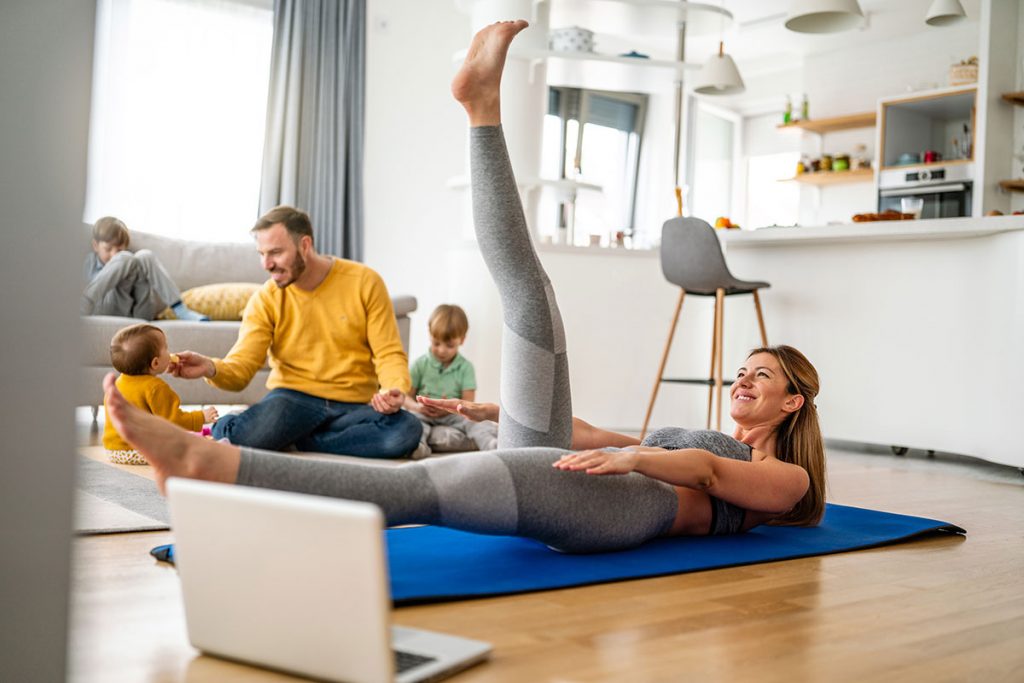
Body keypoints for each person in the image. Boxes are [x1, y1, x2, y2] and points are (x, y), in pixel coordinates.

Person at [102, 20, 826, 553]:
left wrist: (635, 458)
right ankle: (482, 107)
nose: (741, 379)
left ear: (793, 402)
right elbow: (603, 436)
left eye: (759, 375)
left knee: (425, 491)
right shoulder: (684, 442)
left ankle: (213, 465)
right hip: (601, 474)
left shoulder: (789, 481)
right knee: (529, 298)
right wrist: (479, 407)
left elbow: (697, 468)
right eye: (742, 369)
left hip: (625, 508)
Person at [167, 205, 422, 458]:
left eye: (276, 252)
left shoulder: (365, 281)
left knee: (405, 430)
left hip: (352, 406)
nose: (266, 264)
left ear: (305, 245)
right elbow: (242, 367)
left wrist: (393, 389)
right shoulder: (265, 299)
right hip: (292, 400)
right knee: (245, 431)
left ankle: (293, 441)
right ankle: (241, 428)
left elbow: (388, 353)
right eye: (262, 253)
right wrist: (210, 367)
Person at [103, 323, 218, 465]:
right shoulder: (155, 388)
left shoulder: (117, 384)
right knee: (192, 447)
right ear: (155, 363)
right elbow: (173, 421)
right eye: (166, 348)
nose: (170, 353)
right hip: (141, 451)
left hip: (114, 450)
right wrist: (201, 417)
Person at [406, 304, 498, 456]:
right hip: (423, 414)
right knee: (413, 423)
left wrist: (446, 410)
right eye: (436, 343)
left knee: (476, 423)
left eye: (449, 345)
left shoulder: (466, 368)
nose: (442, 350)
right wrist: (417, 408)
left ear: (461, 340)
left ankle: (490, 443)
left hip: (453, 415)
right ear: (429, 334)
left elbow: (469, 404)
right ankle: (418, 446)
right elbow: (405, 397)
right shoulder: (419, 364)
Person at [82, 216, 209, 321]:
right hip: (103, 309)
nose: (114, 255)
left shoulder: (130, 263)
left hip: (138, 315)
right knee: (125, 258)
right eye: (108, 249)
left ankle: (180, 309)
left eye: (119, 249)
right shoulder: (89, 263)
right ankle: (85, 302)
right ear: (95, 245)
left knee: (145, 256)